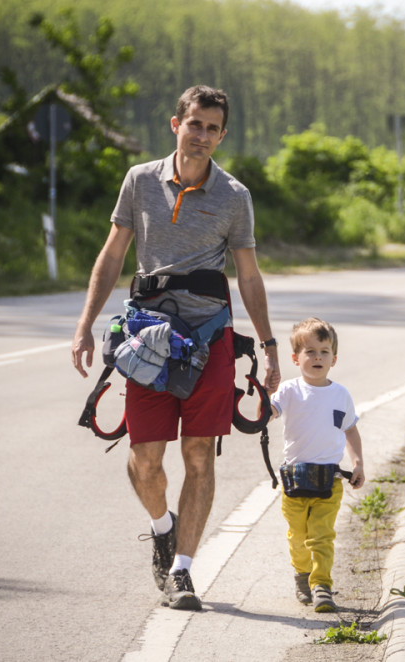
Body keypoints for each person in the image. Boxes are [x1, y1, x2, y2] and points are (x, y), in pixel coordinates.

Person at [71, 85, 280, 611]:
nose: (203, 136)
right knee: (145, 459)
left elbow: (249, 276)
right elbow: (113, 253)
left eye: (213, 129)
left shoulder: (234, 196)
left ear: (222, 135)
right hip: (147, 337)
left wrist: (271, 345)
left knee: (199, 455)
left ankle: (183, 571)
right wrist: (85, 324)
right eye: (196, 125)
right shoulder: (140, 181)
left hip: (208, 338)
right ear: (176, 124)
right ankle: (163, 527)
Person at [270, 317, 365, 613]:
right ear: (296, 358)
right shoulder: (288, 391)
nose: (317, 357)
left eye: (324, 351)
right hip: (294, 481)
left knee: (321, 536)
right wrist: (263, 396)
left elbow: (349, 429)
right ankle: (302, 575)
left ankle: (321, 585)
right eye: (310, 351)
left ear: (334, 359)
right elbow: (269, 413)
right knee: (298, 537)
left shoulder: (341, 395)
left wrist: (358, 461)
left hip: (329, 481)